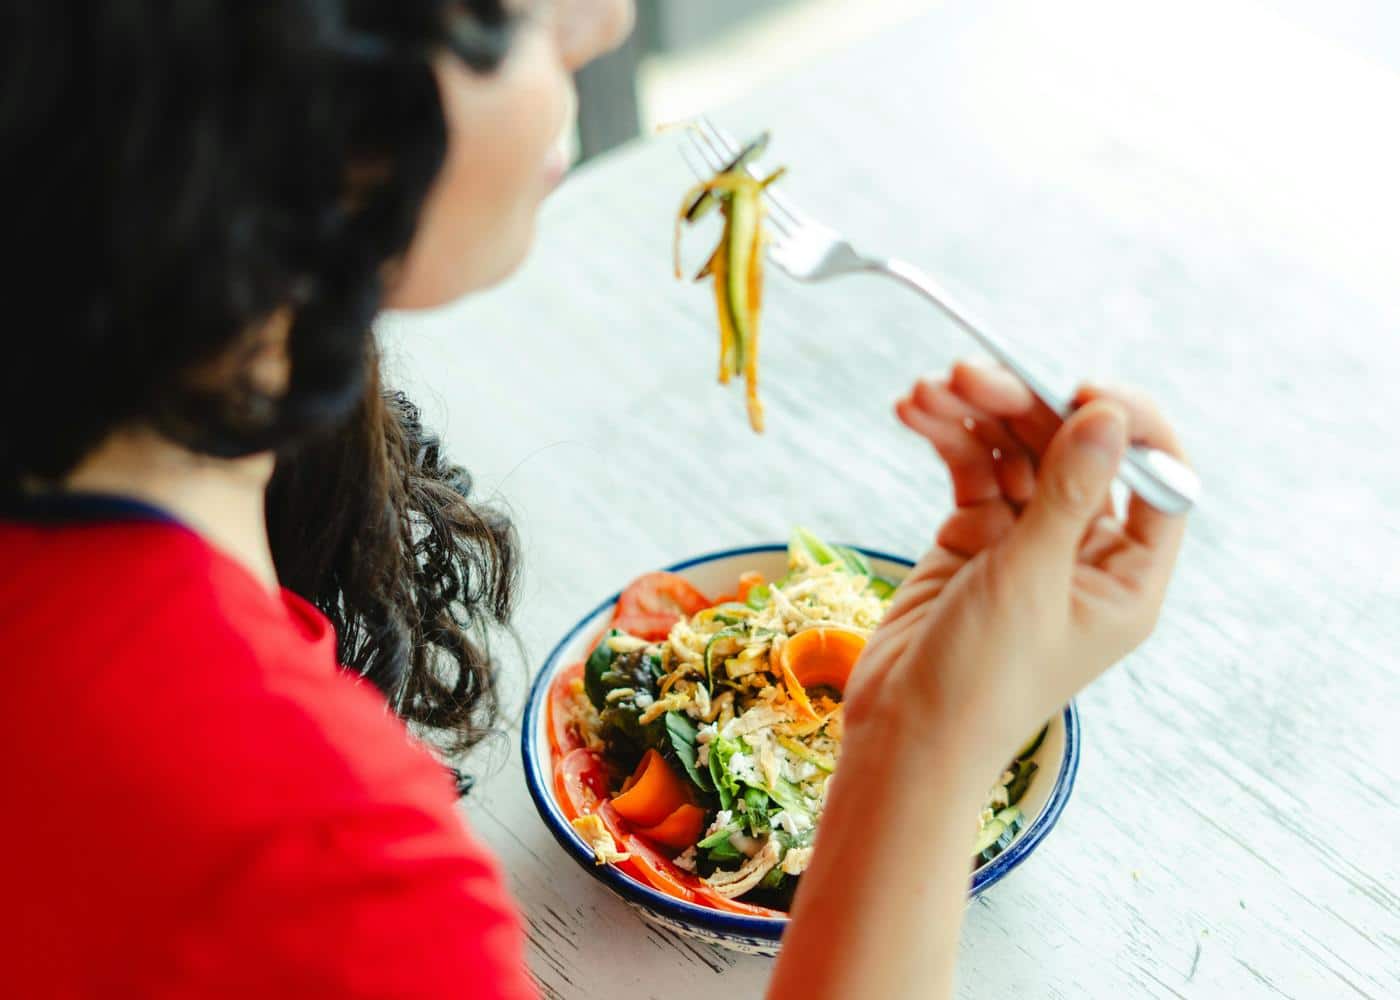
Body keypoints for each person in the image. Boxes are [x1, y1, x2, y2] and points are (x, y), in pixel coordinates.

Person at [0, 1, 1187, 997]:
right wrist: (931, 741)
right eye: (496, 6)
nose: (604, 20)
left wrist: (910, 721)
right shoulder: (313, 864)